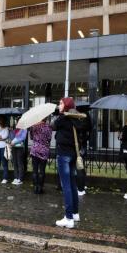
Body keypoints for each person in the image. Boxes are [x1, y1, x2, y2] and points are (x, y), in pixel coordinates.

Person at [51, 97, 83, 229]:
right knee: (73, 184)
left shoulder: (63, 118)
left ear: (66, 106)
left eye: (60, 103)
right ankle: (75, 213)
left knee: (66, 186)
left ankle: (68, 218)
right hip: (72, 154)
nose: (59, 105)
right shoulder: (75, 118)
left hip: (63, 154)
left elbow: (53, 125)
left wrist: (58, 114)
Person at [29, 118, 52, 194]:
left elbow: (31, 138)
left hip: (35, 150)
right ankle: (40, 188)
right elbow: (49, 139)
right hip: (44, 150)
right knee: (42, 170)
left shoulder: (34, 126)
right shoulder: (48, 127)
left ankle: (35, 187)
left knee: (35, 170)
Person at [77, 109, 91, 196]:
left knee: (79, 167)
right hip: (83, 145)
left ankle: (80, 189)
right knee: (81, 166)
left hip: (80, 145)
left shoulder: (81, 123)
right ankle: (82, 185)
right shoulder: (87, 119)